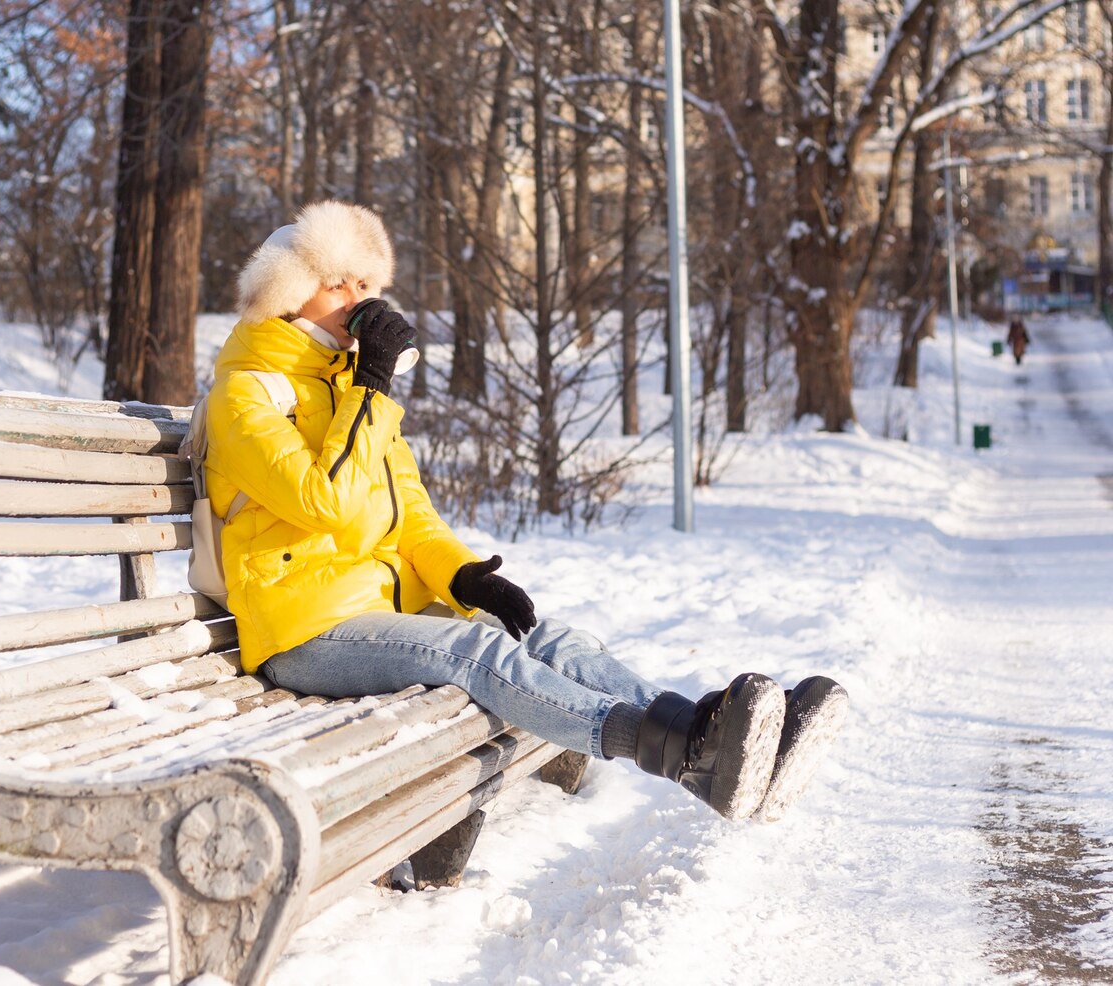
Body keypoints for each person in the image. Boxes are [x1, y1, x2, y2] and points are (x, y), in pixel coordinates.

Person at [200, 200, 847, 822]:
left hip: (375, 613)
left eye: (364, 283)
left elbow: (410, 512)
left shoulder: (345, 385)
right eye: (336, 285)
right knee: (477, 650)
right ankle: (675, 753)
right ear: (287, 293)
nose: (357, 300)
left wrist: (462, 576)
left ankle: (712, 732)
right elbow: (328, 503)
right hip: (303, 632)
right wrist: (371, 386)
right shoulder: (248, 391)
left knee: (546, 635)